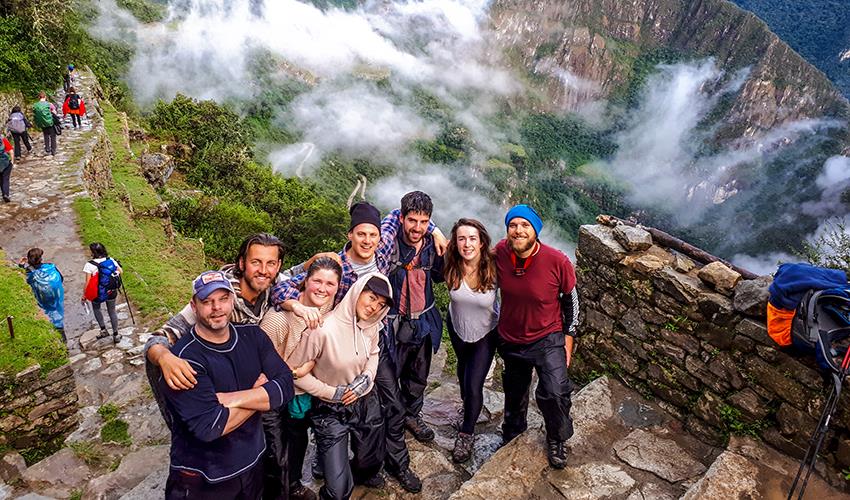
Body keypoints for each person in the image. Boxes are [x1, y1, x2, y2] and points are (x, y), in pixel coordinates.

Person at [271, 201, 446, 493]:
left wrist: (437, 230)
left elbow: (396, 217)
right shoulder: (335, 266)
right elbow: (283, 283)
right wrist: (295, 305)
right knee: (325, 407)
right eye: (361, 234)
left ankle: (396, 464)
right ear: (350, 234)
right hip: (334, 346)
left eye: (372, 235)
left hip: (376, 340)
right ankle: (325, 459)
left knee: (391, 403)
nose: (367, 241)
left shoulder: (384, 244)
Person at [158, 270, 295, 499]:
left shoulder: (253, 336)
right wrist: (259, 394)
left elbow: (286, 385)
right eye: (207, 301)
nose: (217, 308)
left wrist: (234, 399)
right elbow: (211, 426)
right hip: (204, 476)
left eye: (223, 299)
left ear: (233, 300)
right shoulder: (183, 360)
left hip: (253, 461)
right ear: (194, 306)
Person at [145, 233, 317, 392]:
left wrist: (311, 262)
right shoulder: (218, 298)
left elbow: (292, 276)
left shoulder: (273, 283)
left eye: (271, 263)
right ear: (242, 263)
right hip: (215, 377)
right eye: (255, 262)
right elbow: (161, 336)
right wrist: (163, 357)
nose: (264, 270)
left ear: (277, 265)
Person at [287, 273, 392, 500]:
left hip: (364, 400)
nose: (374, 307)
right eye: (371, 298)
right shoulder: (322, 330)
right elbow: (294, 374)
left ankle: (343, 466)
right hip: (329, 409)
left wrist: (366, 379)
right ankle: (329, 464)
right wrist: (333, 393)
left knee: (372, 461)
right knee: (338, 492)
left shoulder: (371, 325)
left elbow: (374, 352)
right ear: (357, 292)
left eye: (381, 304)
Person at [495, 204, 578, 469]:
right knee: (514, 392)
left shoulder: (557, 261)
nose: (518, 231)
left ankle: (556, 437)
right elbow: (469, 251)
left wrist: (569, 336)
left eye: (524, 226)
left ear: (535, 231)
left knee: (555, 392)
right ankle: (512, 433)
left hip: (547, 336)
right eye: (513, 225)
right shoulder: (499, 253)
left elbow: (572, 299)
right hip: (511, 336)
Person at [259, 258, 343, 500]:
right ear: (304, 282)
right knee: (275, 452)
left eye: (330, 284)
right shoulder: (278, 320)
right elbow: (259, 364)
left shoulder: (326, 307)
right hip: (274, 394)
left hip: (301, 393)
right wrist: (296, 371)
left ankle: (293, 484)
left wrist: (313, 364)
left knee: (298, 440)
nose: (322, 289)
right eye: (317, 281)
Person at [383, 191, 444, 444]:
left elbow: (441, 276)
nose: (417, 227)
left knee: (418, 375)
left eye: (423, 221)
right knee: (388, 375)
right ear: (402, 218)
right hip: (393, 321)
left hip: (423, 321)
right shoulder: (389, 245)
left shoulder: (432, 245)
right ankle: (389, 420)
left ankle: (411, 415)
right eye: (412, 221)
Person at [443, 218, 499, 463]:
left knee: (474, 384)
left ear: (482, 241)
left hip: (486, 333)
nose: (467, 244)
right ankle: (468, 410)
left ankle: (466, 432)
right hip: (456, 327)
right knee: (463, 373)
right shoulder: (449, 263)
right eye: (461, 238)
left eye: (472, 238)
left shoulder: (496, 266)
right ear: (455, 242)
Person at [19, 248, 66, 340]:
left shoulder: (29, 272)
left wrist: (21, 265)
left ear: (29, 259)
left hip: (42, 298)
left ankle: (52, 338)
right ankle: (62, 338)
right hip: (55, 296)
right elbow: (61, 278)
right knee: (57, 315)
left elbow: (23, 277)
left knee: (47, 315)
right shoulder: (51, 267)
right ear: (41, 258)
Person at [82, 242, 123, 341]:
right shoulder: (110, 260)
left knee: (96, 309)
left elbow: (87, 282)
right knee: (112, 311)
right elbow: (120, 271)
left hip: (97, 292)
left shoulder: (89, 265)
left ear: (93, 252)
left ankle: (103, 330)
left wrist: (84, 295)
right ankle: (116, 334)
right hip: (110, 290)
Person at [32, 92, 57, 156]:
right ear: (45, 97)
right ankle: (53, 150)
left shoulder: (35, 105)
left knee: (46, 135)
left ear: (39, 97)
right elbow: (54, 112)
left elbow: (34, 113)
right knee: (53, 135)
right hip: (49, 122)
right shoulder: (49, 104)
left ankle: (47, 148)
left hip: (41, 123)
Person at [0, 136, 12, 203]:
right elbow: (10, 150)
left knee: (1, 179)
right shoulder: (2, 139)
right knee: (5, 179)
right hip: (5, 162)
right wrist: (12, 161)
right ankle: (5, 194)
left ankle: (3, 194)